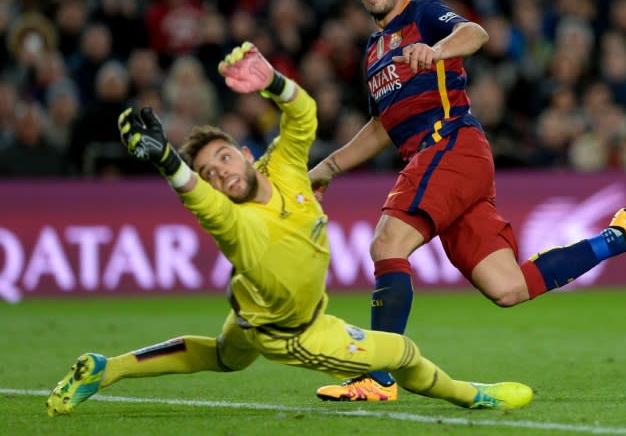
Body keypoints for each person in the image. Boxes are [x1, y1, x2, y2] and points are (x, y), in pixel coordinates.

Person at [45, 42, 533, 416]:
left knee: (224, 356)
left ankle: (108, 369)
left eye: (222, 158)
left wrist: (272, 79)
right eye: (210, 174)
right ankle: (475, 398)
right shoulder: (230, 217)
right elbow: (197, 198)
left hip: (247, 312)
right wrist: (169, 162)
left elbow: (303, 115)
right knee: (403, 352)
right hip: (294, 331)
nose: (220, 174)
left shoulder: (281, 167)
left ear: (240, 150)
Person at [309, 0, 626, 402]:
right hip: (444, 164)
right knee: (508, 287)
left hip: (450, 145)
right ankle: (620, 235)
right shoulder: (372, 53)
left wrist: (438, 50)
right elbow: (381, 127)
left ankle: (380, 377)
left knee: (388, 243)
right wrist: (327, 166)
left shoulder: (423, 15)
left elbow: (476, 34)